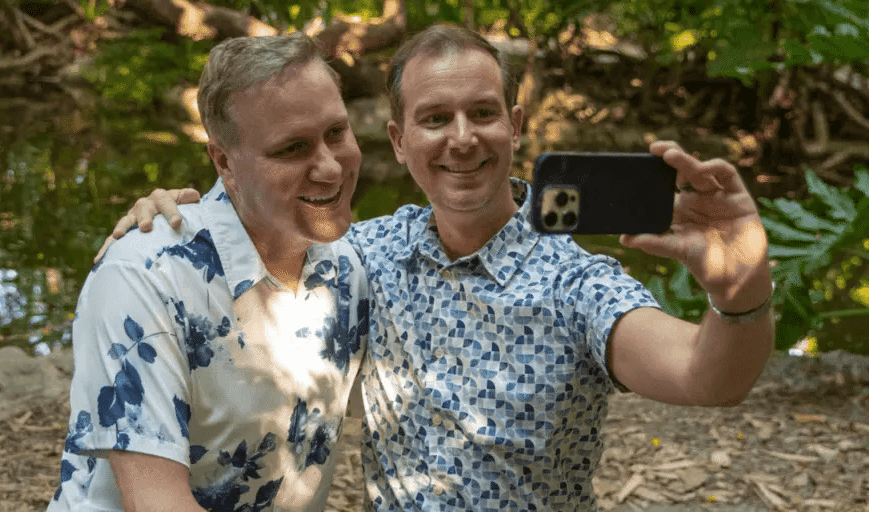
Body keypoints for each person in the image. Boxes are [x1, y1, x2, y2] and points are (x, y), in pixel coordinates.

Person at [99, 25, 775, 511]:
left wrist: (740, 286)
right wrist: (174, 217)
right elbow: (258, 224)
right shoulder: (363, 255)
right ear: (399, 140)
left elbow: (708, 378)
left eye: (482, 113)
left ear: (515, 125)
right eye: (434, 118)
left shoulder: (576, 284)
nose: (462, 138)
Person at [48, 33, 371, 512]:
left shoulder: (351, 265)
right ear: (224, 162)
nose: (330, 168)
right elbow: (156, 502)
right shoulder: (144, 276)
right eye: (293, 149)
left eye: (337, 133)